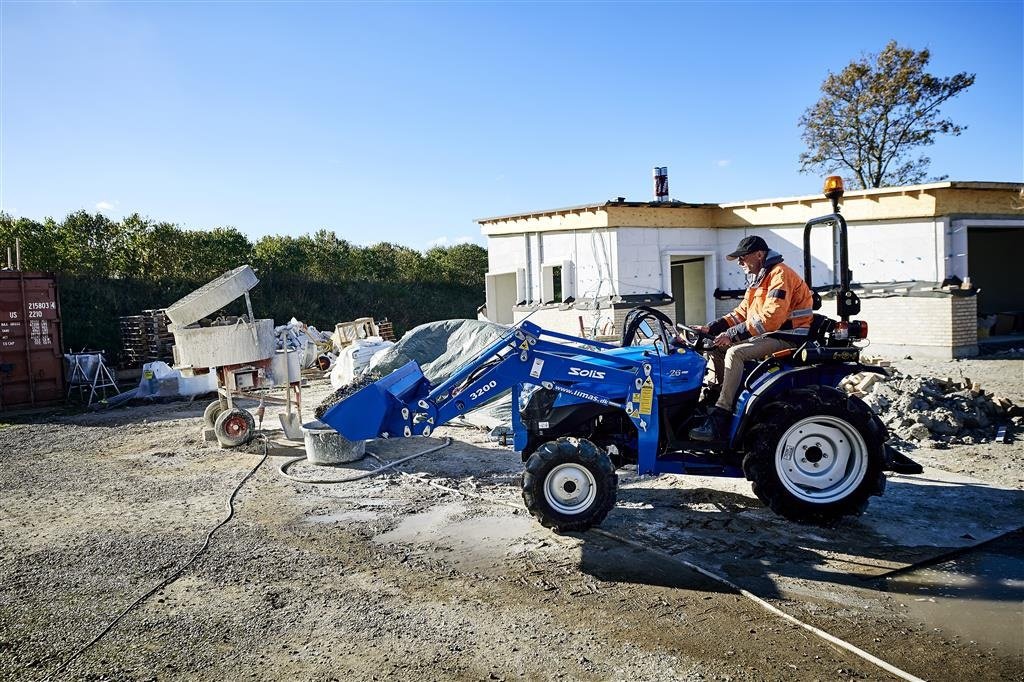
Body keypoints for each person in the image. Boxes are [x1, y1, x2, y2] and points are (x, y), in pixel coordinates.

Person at [689, 235, 814, 441]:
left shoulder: (780, 275)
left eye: (743, 257)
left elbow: (771, 319)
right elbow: (741, 313)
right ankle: (715, 397)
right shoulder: (759, 278)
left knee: (735, 353)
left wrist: (732, 334)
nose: (740, 262)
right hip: (768, 334)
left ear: (759, 255)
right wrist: (710, 327)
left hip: (787, 336)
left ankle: (721, 414)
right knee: (715, 347)